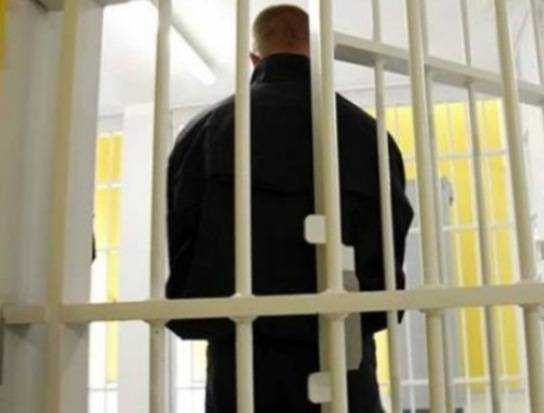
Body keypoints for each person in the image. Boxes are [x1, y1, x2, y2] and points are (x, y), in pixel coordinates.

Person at [165, 5, 413, 412]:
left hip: (241, 352)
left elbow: (184, 243)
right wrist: (358, 312)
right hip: (340, 346)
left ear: (254, 58)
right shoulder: (366, 133)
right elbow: (390, 241)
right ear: (311, 50)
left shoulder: (205, 132)